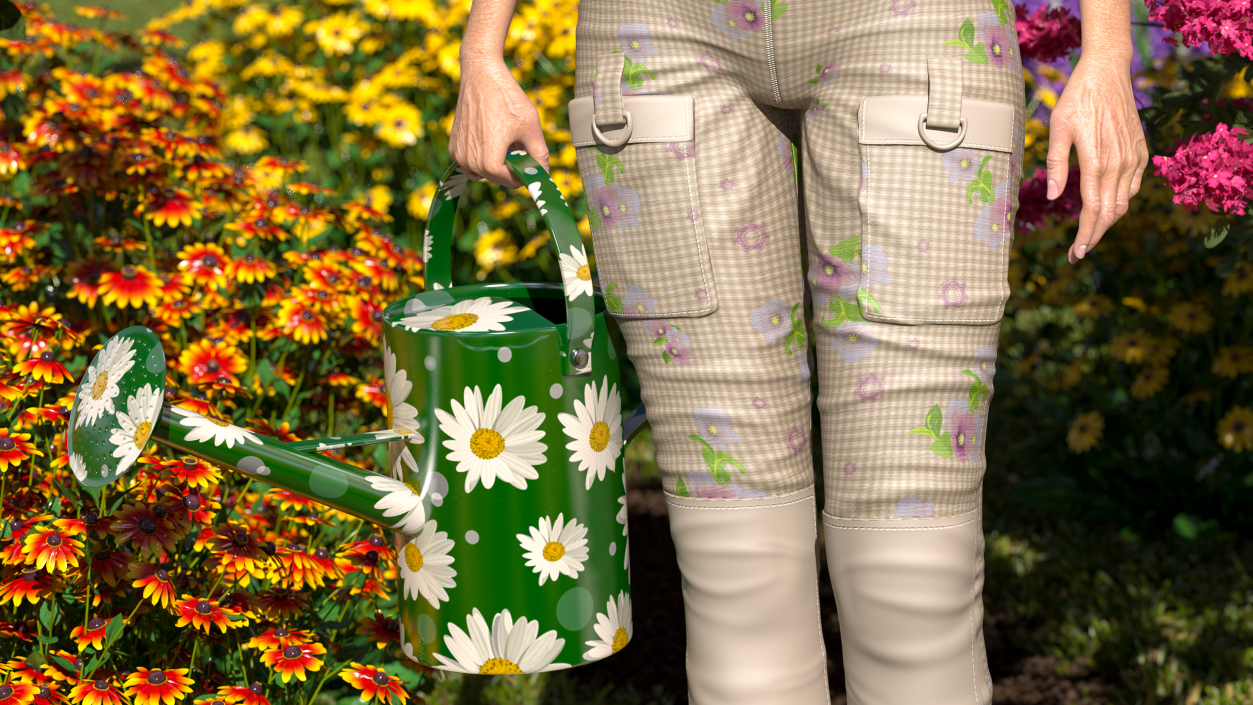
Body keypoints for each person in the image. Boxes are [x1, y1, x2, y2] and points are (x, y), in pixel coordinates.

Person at [450, 0, 1147, 702]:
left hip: (910, 25)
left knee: (913, 576)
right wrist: (481, 48)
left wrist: (1107, 51)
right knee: (734, 575)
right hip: (656, 31)